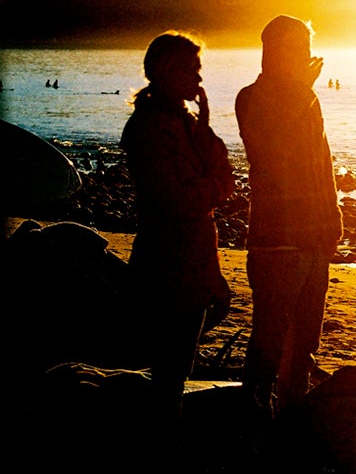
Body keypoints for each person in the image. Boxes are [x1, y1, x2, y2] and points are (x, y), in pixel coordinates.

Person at [119, 31, 236, 449]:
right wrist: (215, 186)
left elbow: (220, 168)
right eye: (193, 68)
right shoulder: (147, 128)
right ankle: (160, 448)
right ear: (168, 71)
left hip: (194, 261)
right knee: (169, 374)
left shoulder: (185, 123)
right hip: (166, 266)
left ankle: (163, 440)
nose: (200, 78)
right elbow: (178, 200)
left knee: (176, 367)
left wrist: (204, 122)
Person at [235, 15, 344, 419]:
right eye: (300, 48)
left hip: (314, 241)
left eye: (308, 48)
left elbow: (321, 163)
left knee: (304, 343)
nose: (307, 57)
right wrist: (303, 91)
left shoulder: (304, 96)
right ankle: (253, 416)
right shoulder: (252, 97)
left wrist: (332, 219)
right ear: (276, 50)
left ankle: (290, 417)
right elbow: (273, 152)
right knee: (270, 340)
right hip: (276, 242)